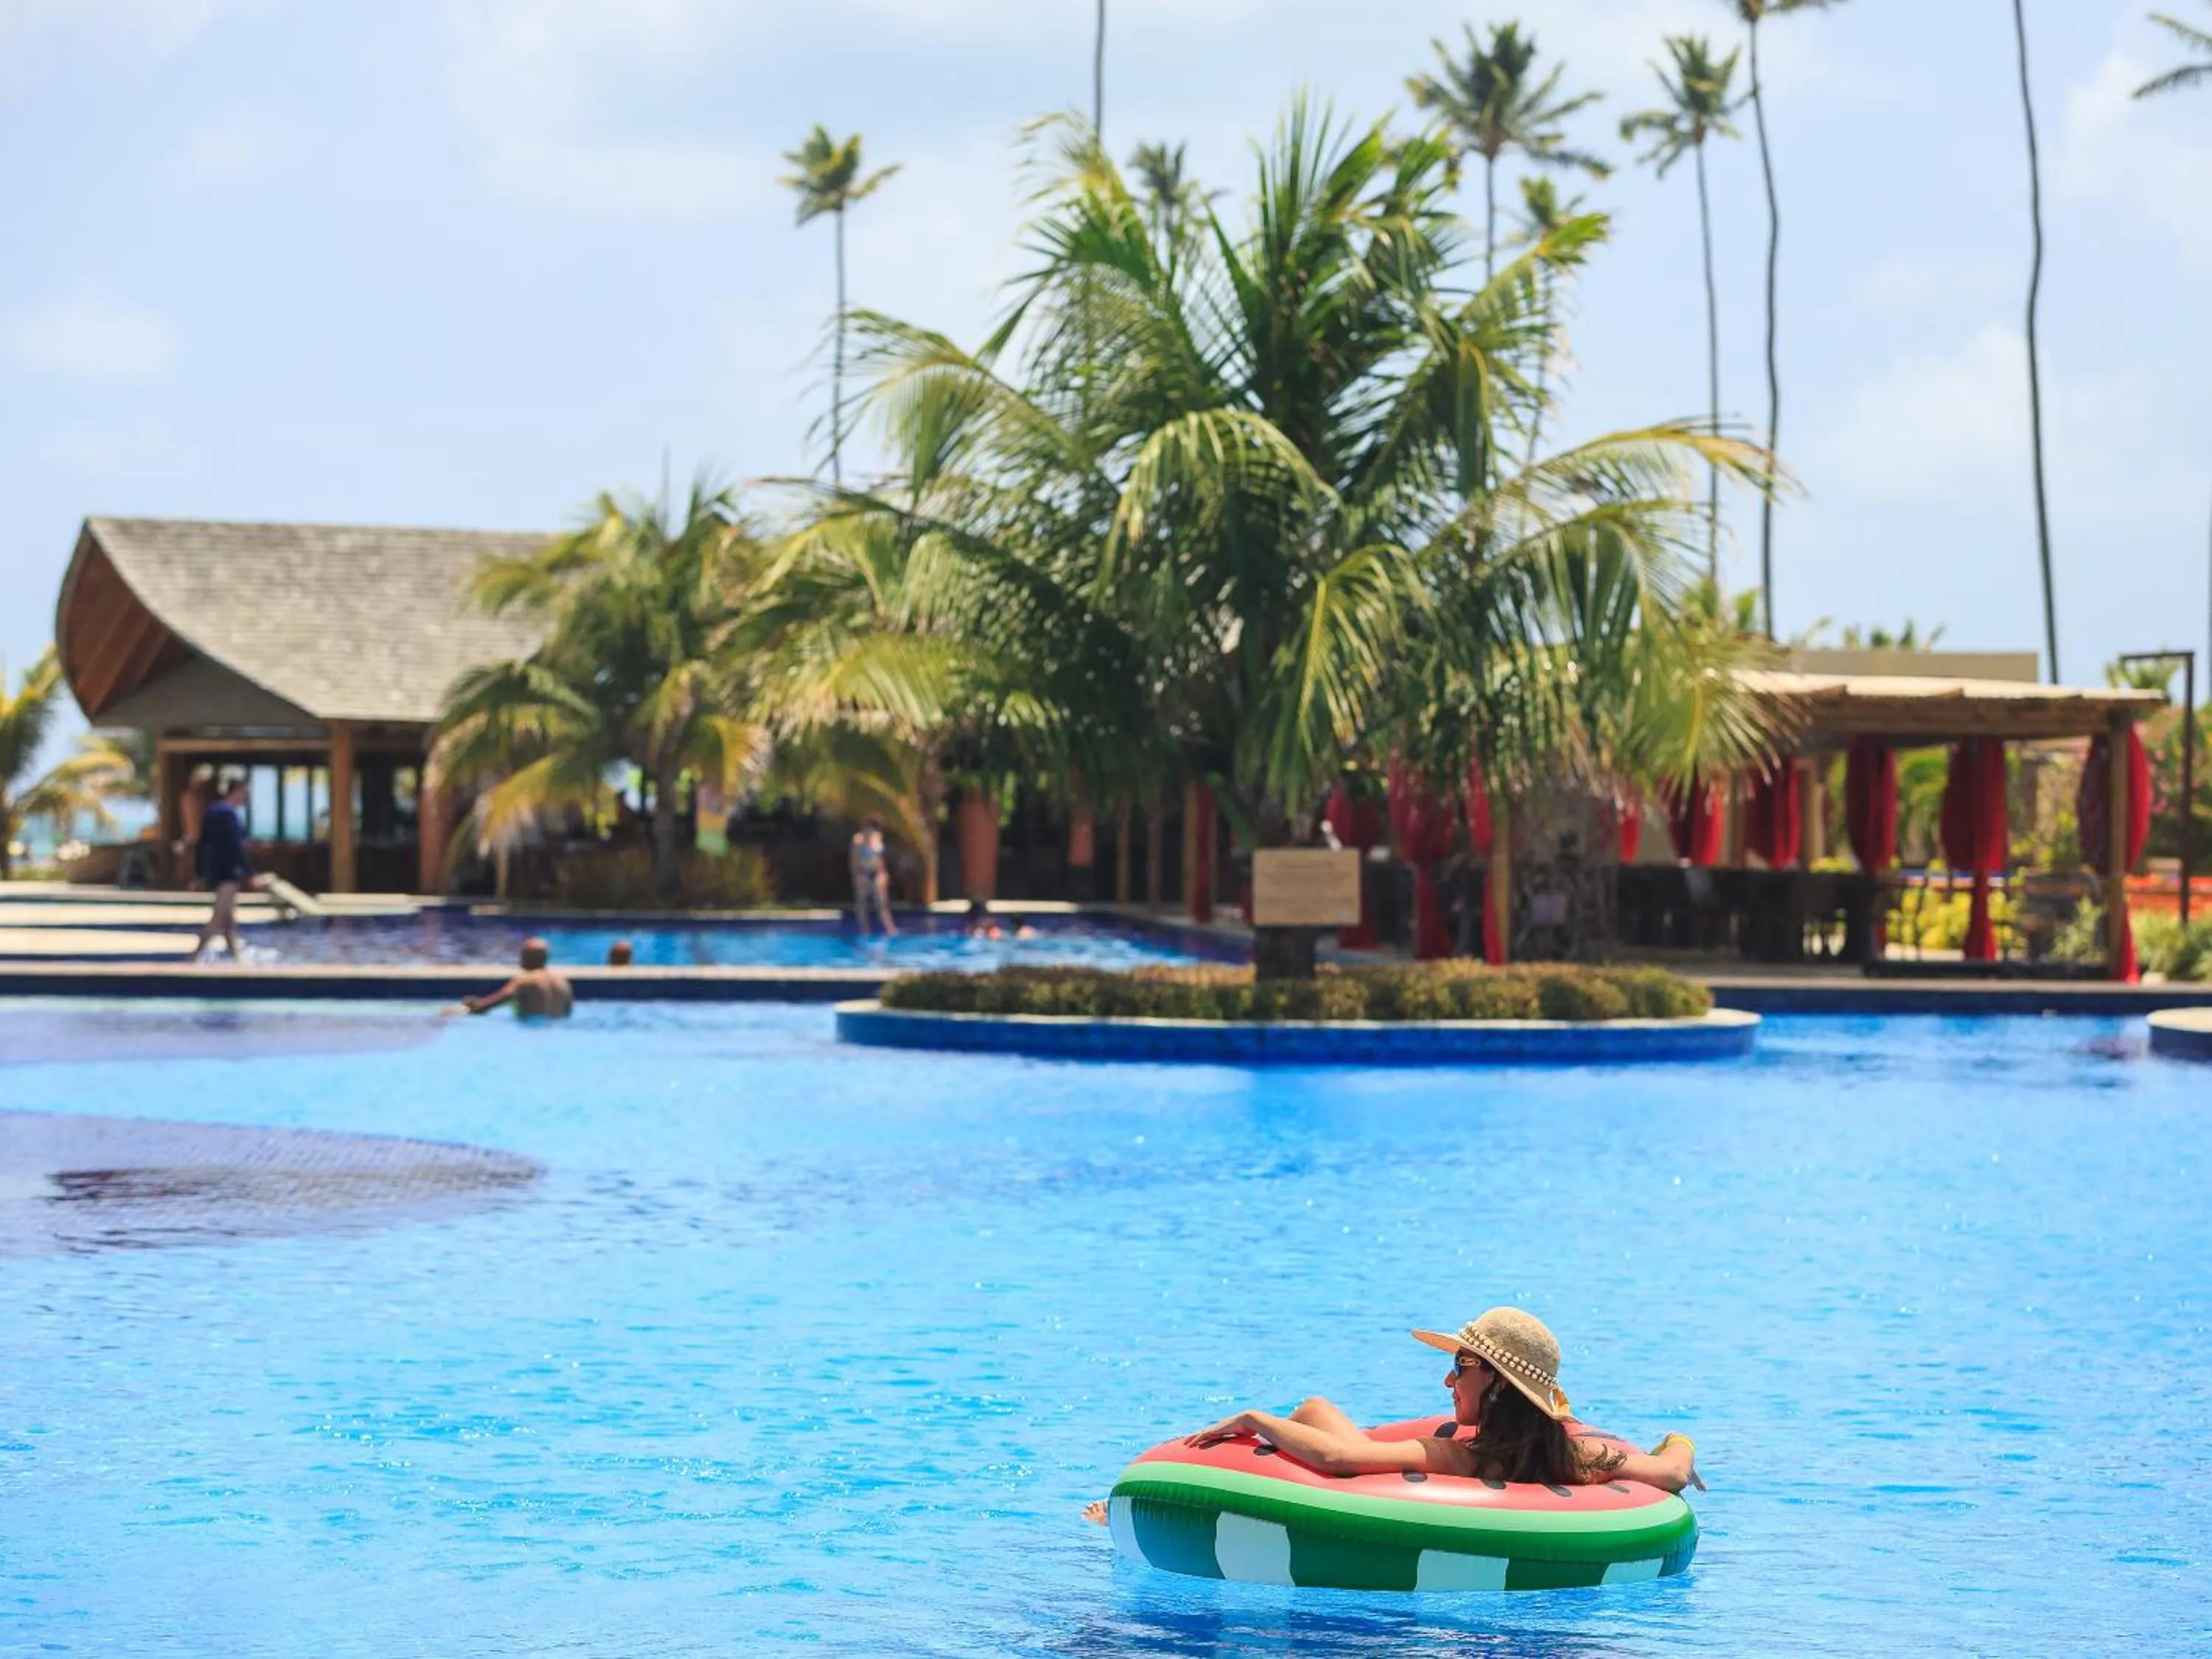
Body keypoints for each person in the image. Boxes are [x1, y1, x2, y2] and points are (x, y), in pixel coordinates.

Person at [1082, 1307, 1700, 1525]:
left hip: (1406, 1478)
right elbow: (1672, 1471)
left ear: (1500, 1386)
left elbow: (1340, 1459)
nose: (1448, 1377)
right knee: (1320, 1409)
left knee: (1313, 1410)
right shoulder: (1581, 1458)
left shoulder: (1463, 1454)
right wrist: (1678, 1438)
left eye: (1462, 1365)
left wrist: (1256, 1419)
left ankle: (1116, 1515)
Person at [189, 775, 267, 962]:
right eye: (243, 793)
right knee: (219, 917)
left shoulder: (213, 811)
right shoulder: (228, 814)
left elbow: (201, 845)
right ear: (236, 792)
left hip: (216, 872)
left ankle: (236, 958)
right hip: (227, 873)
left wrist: (200, 873)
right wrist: (250, 874)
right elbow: (235, 847)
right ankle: (194, 957)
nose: (245, 798)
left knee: (229, 919)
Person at [456, 936, 574, 1019]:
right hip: (556, 1030)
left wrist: (470, 1006)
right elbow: (568, 1013)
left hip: (532, 1031)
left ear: (525, 957)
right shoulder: (562, 982)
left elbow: (487, 1006)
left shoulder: (524, 980)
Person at [849, 817, 897, 936]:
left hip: (877, 874)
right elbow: (854, 860)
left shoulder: (878, 837)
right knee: (862, 905)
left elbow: (881, 858)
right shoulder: (858, 840)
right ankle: (865, 931)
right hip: (863, 874)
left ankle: (890, 930)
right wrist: (856, 875)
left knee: (882, 905)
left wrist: (884, 873)